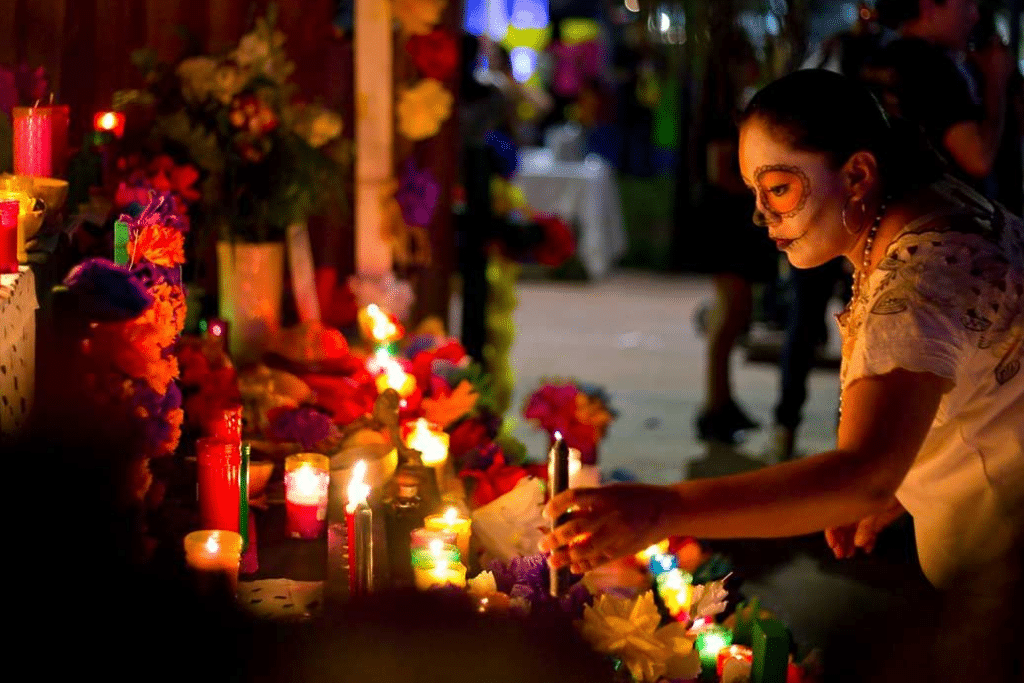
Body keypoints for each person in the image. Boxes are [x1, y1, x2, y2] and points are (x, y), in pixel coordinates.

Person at [541, 70, 1023, 681]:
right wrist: (913, 479)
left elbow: (863, 476)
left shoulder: (918, 283)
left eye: (779, 188)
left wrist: (663, 509)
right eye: (755, 191)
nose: (761, 213)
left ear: (858, 175)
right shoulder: (947, 215)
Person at [866, 0, 1013, 188]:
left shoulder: (882, 55)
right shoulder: (930, 67)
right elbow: (979, 160)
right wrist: (996, 80)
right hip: (943, 200)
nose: (975, 15)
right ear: (928, 7)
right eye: (966, 4)